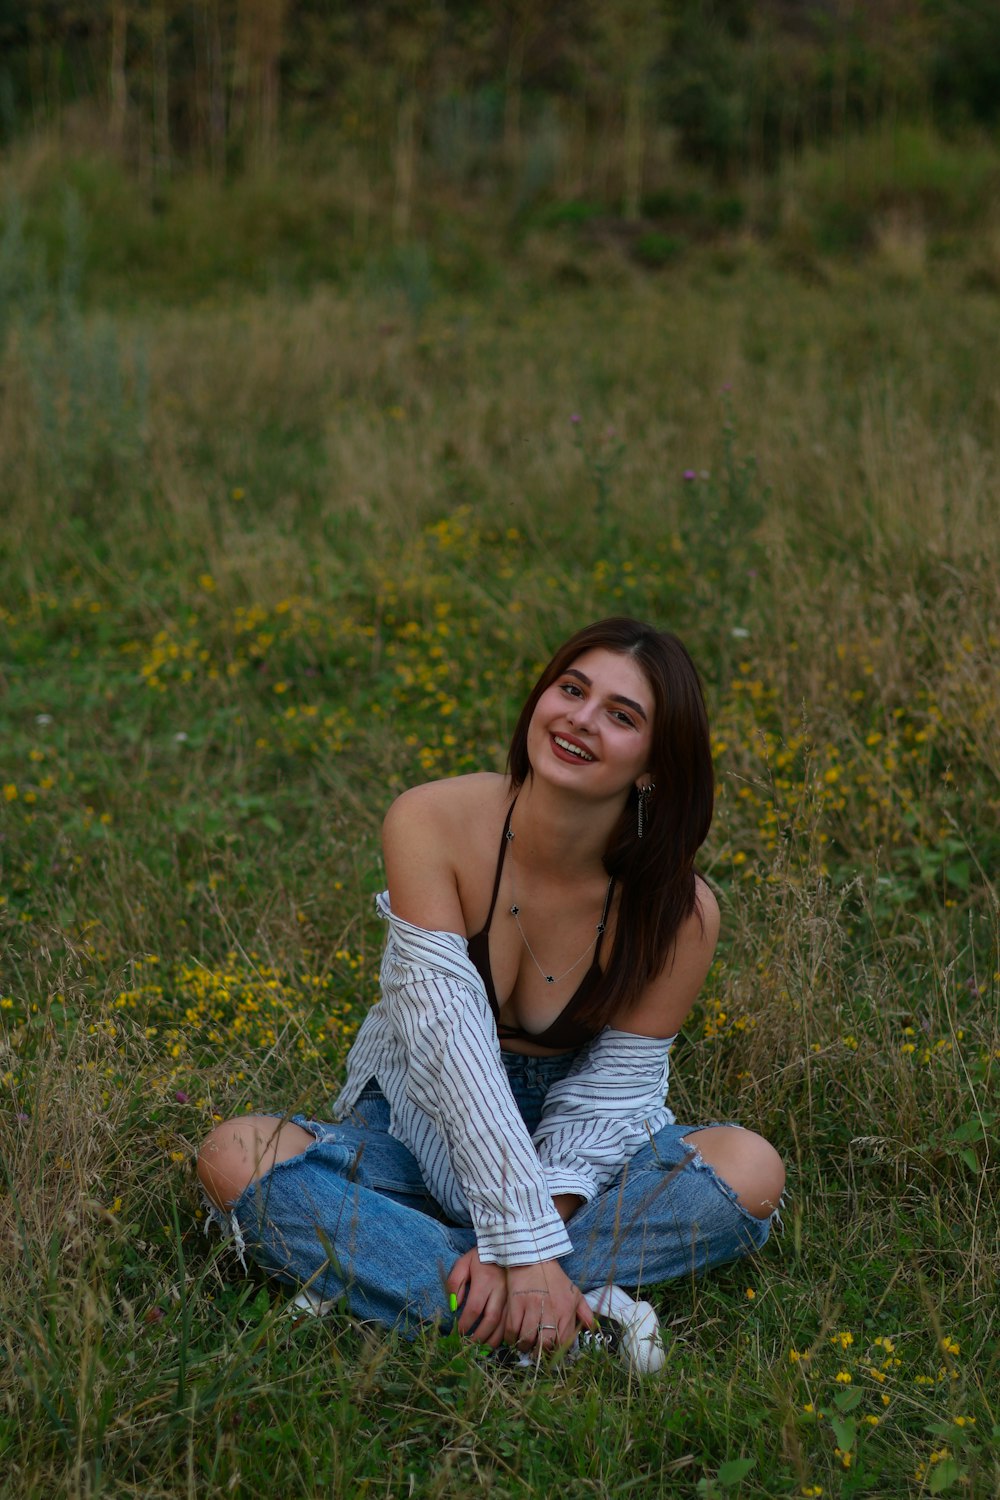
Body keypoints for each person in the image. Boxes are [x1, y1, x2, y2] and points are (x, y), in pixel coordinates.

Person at [197, 617, 785, 1372]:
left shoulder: (680, 909)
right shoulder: (431, 820)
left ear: (654, 768)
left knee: (750, 1169)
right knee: (234, 1154)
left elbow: (614, 1091)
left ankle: (408, 1289)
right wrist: (520, 1241)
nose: (580, 718)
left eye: (621, 714)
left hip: (578, 1161)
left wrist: (536, 1226)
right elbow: (445, 1042)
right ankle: (570, 1312)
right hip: (419, 1124)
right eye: (571, 689)